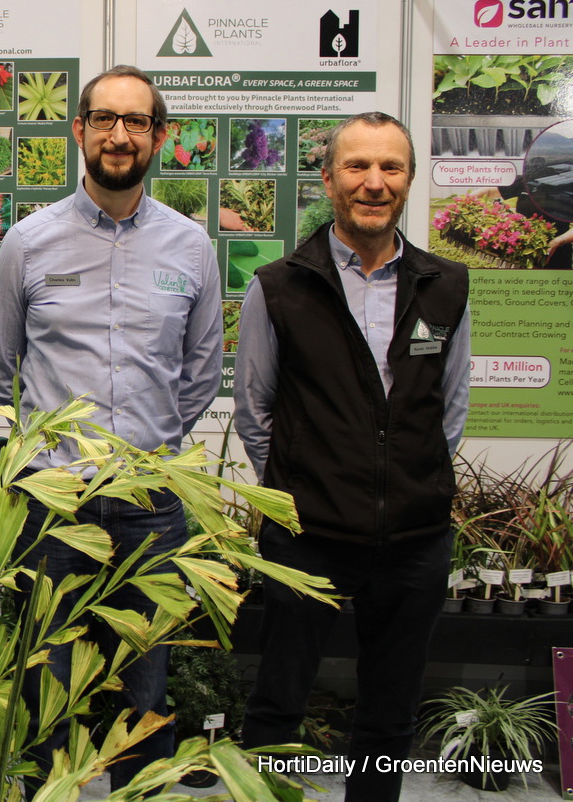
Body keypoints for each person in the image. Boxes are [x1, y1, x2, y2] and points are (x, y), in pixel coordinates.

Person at [0, 65, 222, 790]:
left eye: (137, 121)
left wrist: (147, 450)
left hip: (152, 506)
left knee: (143, 697)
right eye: (105, 120)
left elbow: (201, 374)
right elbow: (1, 370)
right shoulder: (28, 243)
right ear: (79, 130)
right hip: (53, 506)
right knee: (45, 695)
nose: (120, 135)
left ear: (159, 135)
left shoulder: (192, 247)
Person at [235, 112, 471, 802]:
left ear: (409, 180)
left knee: (390, 713)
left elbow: (450, 409)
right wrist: (301, 492)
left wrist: (410, 481)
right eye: (357, 166)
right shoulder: (280, 286)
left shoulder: (446, 284)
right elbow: (255, 412)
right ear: (328, 177)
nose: (374, 182)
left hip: (415, 540)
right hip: (307, 536)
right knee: (278, 705)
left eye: (390, 167)